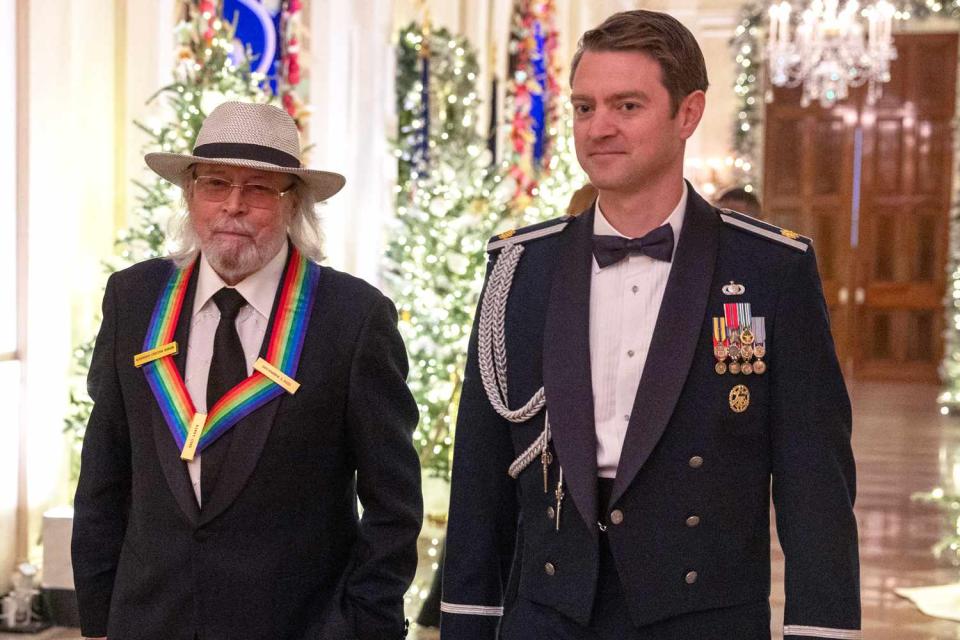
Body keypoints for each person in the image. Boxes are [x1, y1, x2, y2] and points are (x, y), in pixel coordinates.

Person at [441, 10, 859, 640]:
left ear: (687, 114)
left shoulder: (770, 269)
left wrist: (821, 630)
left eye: (627, 105)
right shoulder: (520, 268)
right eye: (585, 108)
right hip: (548, 613)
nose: (599, 128)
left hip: (700, 618)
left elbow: (813, 483)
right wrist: (468, 623)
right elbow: (479, 479)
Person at [72, 101, 423, 640]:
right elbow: (105, 468)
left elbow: (394, 507)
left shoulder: (353, 318)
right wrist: (98, 615)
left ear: (295, 204)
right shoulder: (134, 298)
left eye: (259, 188)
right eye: (215, 183)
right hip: (148, 621)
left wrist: (358, 624)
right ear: (190, 195)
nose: (232, 206)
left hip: (299, 626)